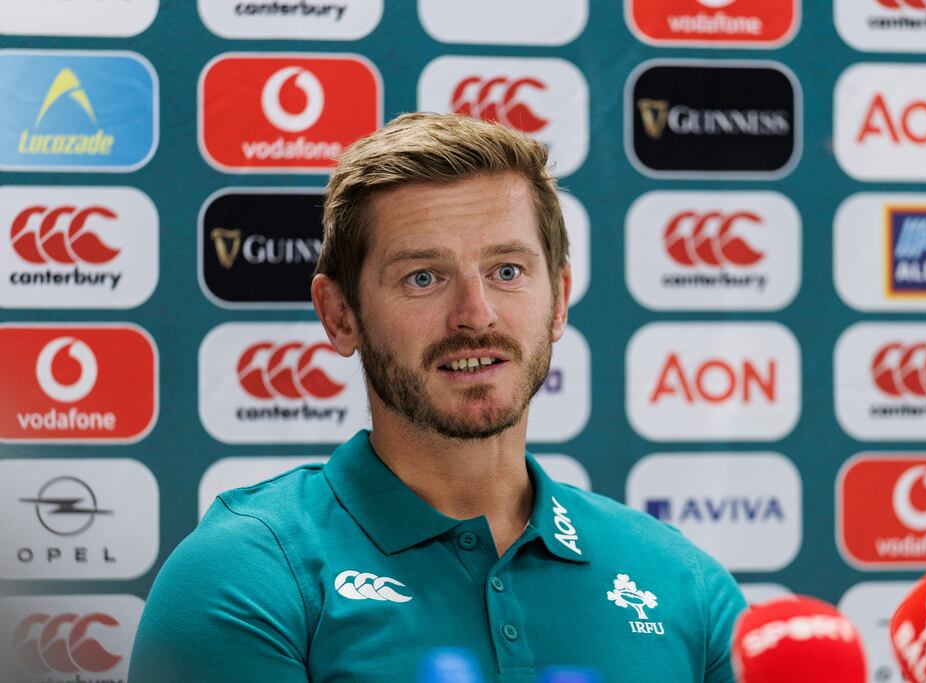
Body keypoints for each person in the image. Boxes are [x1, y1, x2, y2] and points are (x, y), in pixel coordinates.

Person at [129, 113, 746, 682]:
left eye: (507, 271)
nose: (475, 316)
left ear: (557, 299)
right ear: (340, 315)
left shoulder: (683, 583)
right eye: (423, 277)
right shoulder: (242, 576)